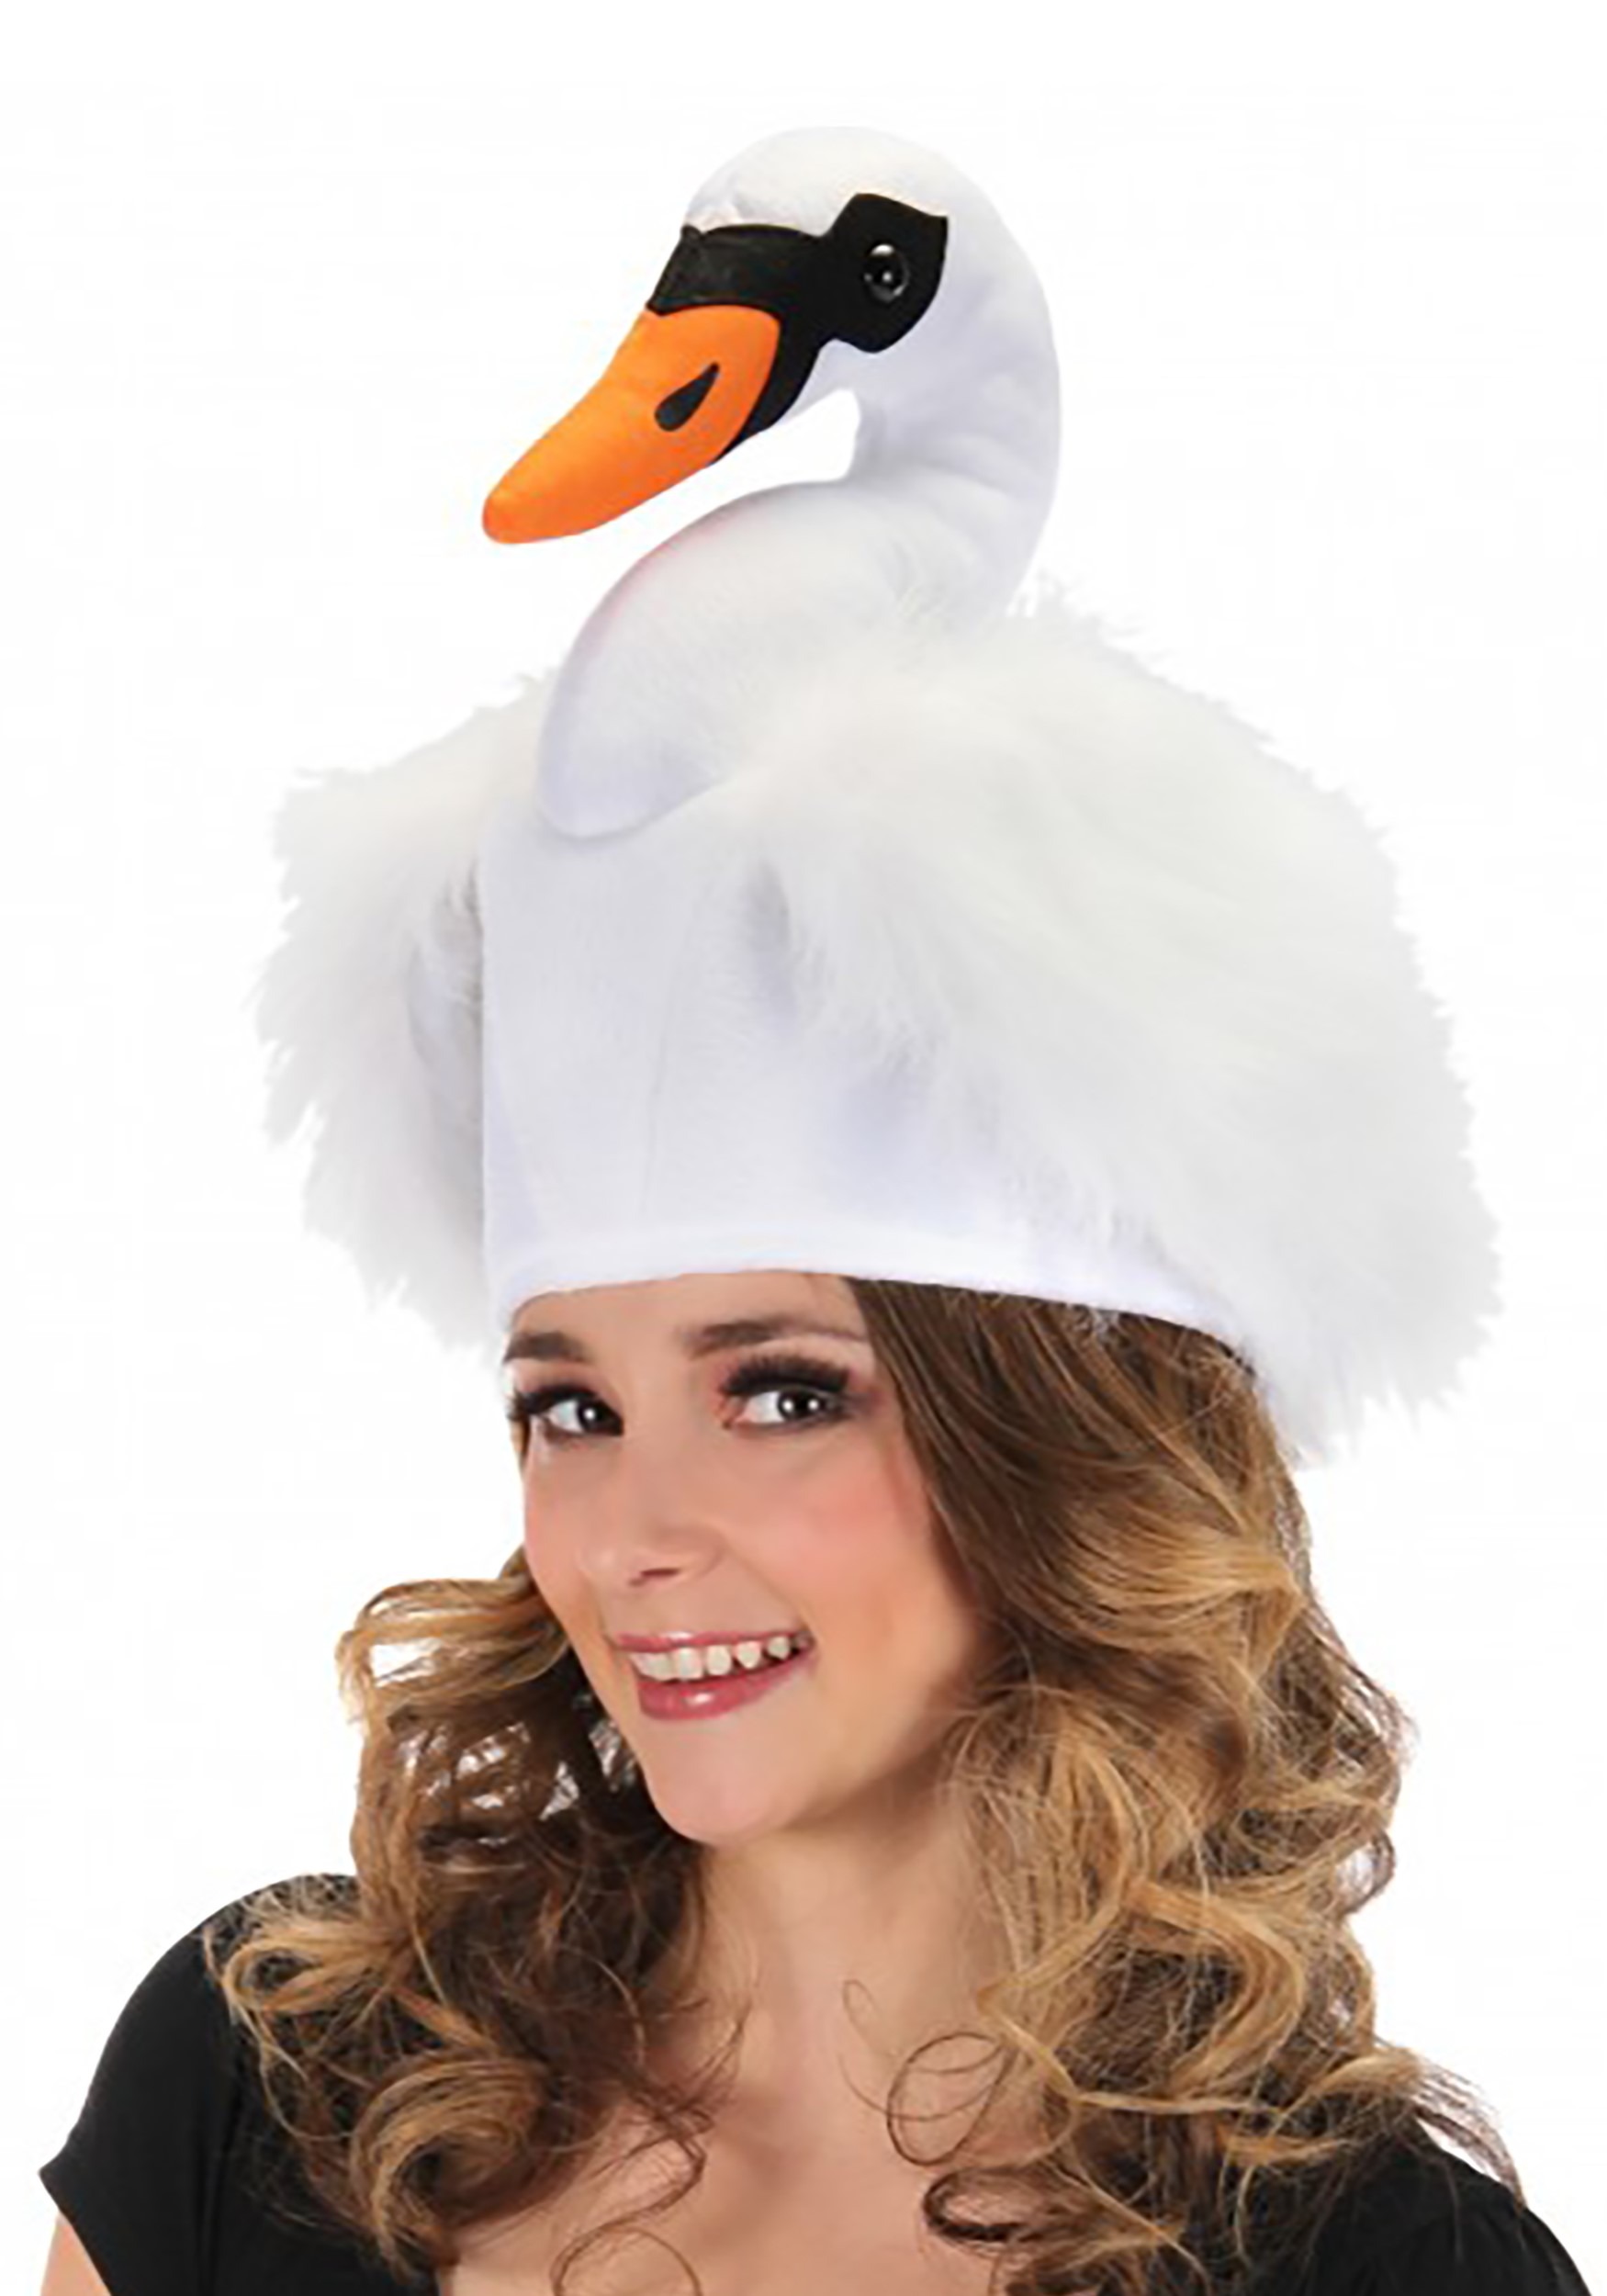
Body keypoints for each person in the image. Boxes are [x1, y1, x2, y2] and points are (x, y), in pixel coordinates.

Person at [38, 123, 1591, 2296]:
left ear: (1062, 1438)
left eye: (779, 1388)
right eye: (566, 1404)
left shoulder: (1370, 2263)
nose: (629, 1532)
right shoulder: (269, 2081)